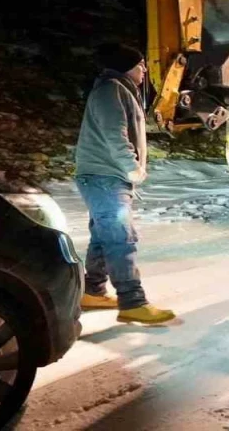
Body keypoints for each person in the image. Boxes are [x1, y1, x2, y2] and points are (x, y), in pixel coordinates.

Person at [73, 42, 176, 324]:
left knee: (103, 236)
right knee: (121, 237)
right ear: (126, 66)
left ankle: (92, 290)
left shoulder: (118, 90)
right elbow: (114, 133)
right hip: (105, 176)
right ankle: (132, 301)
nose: (144, 69)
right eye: (140, 64)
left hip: (104, 175)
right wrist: (132, 168)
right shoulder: (110, 90)